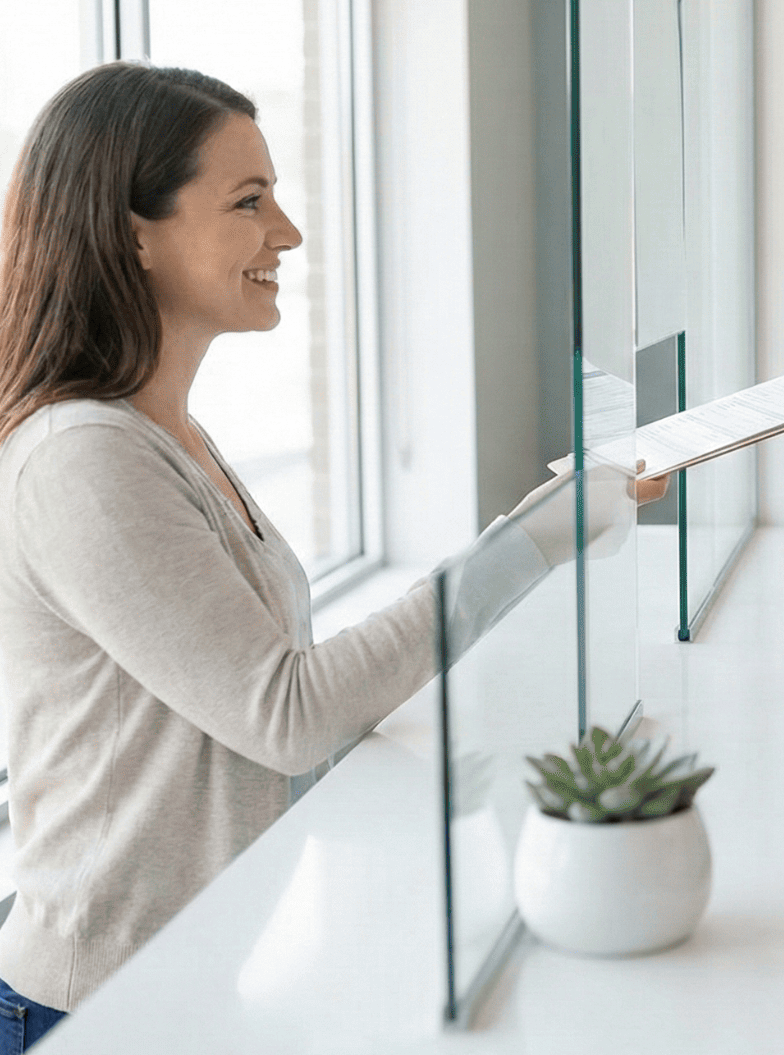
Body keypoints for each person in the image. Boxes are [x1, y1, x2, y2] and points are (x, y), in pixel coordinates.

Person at [0, 62, 658, 1043]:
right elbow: (284, 712)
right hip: (95, 1006)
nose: (289, 234)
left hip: (195, 979)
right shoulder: (81, 458)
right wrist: (536, 540)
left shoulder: (169, 433)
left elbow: (245, 692)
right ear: (134, 231)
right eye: (248, 201)